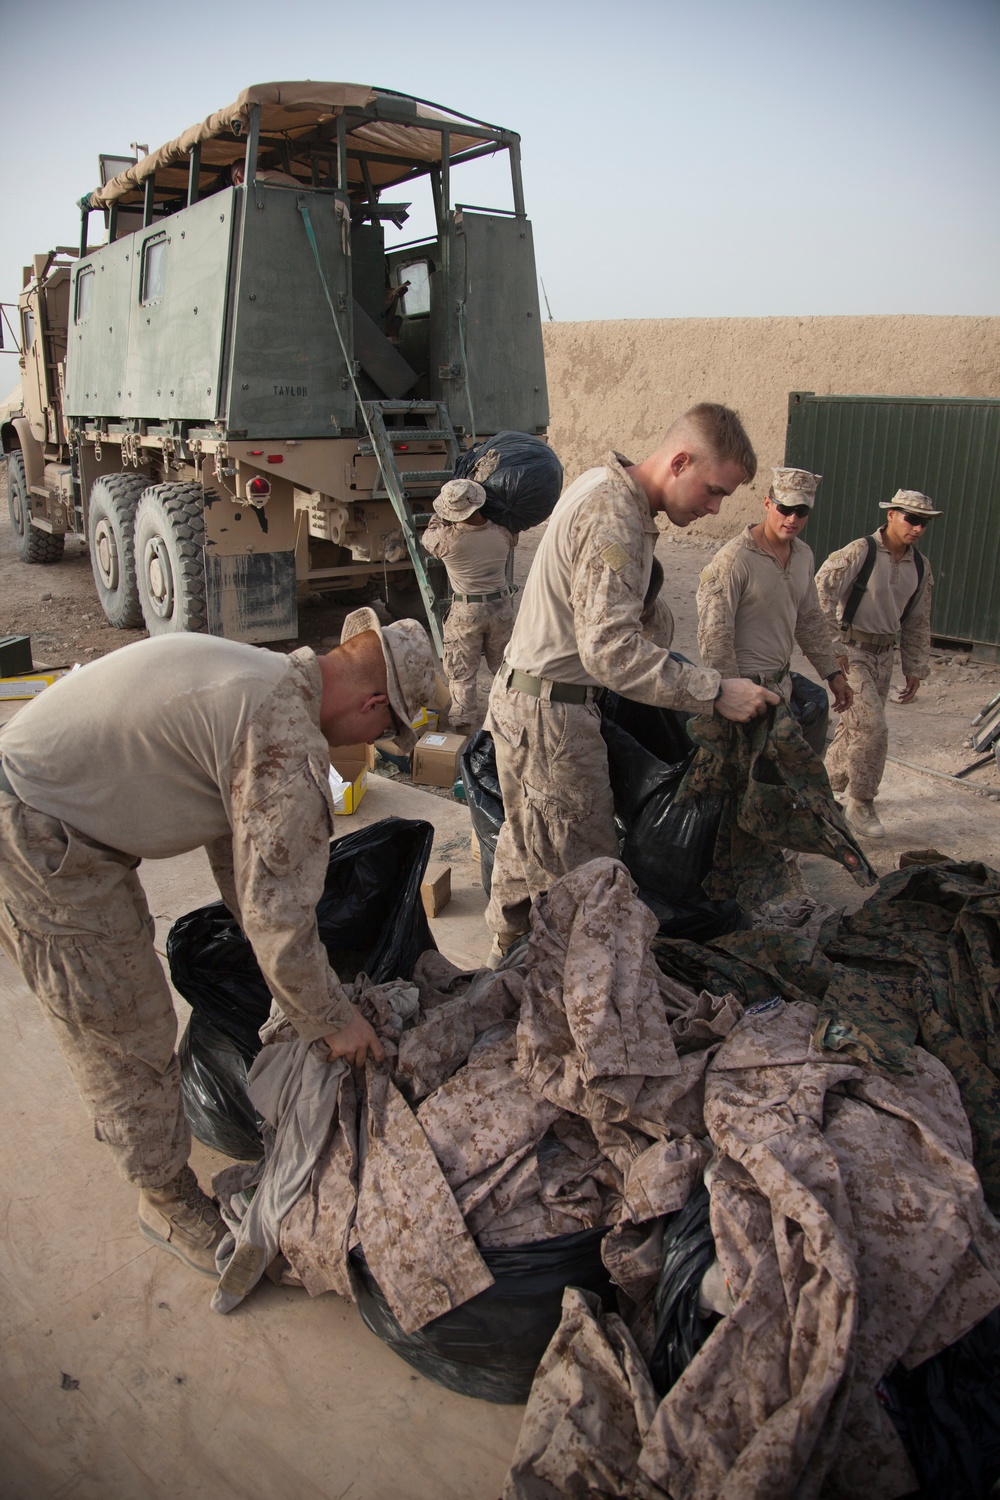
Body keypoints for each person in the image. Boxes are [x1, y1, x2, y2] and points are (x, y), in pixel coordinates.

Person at [0, 610, 440, 1277]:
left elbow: (244, 867)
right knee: (123, 1019)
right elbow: (276, 916)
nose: (374, 741)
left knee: (119, 1006)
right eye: (384, 730)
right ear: (373, 702)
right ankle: (166, 1201)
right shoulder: (284, 743)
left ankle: (130, 1119)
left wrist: (299, 989)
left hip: (51, 805)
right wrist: (331, 1018)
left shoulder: (265, 679)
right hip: (34, 831)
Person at [483, 402, 780, 963]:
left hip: (530, 704)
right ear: (680, 461)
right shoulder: (614, 514)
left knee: (526, 855)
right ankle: (574, 1001)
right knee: (591, 892)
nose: (715, 508)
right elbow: (610, 651)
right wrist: (716, 691)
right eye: (713, 491)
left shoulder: (604, 486)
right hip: (553, 721)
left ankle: (505, 970)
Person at [815, 489, 938, 839]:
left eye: (924, 522)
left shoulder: (920, 566)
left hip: (885, 656)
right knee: (873, 728)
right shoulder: (860, 551)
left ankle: (820, 790)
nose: (917, 528)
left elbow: (918, 620)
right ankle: (861, 803)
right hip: (852, 653)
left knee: (854, 728)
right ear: (891, 515)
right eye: (911, 519)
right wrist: (832, 647)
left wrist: (914, 667)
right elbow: (820, 593)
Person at [696, 466, 853, 714]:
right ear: (768, 504)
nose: (792, 519)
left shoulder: (803, 555)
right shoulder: (735, 558)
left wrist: (832, 673)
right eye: (785, 509)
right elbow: (714, 633)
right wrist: (730, 691)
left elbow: (809, 619)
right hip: (742, 687)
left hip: (781, 684)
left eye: (801, 511)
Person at [421, 478, 516, 731]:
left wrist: (441, 516)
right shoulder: (503, 533)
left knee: (462, 674)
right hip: (500, 608)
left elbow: (428, 535)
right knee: (505, 669)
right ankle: (510, 720)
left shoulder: (445, 540)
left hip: (466, 612)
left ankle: (464, 729)